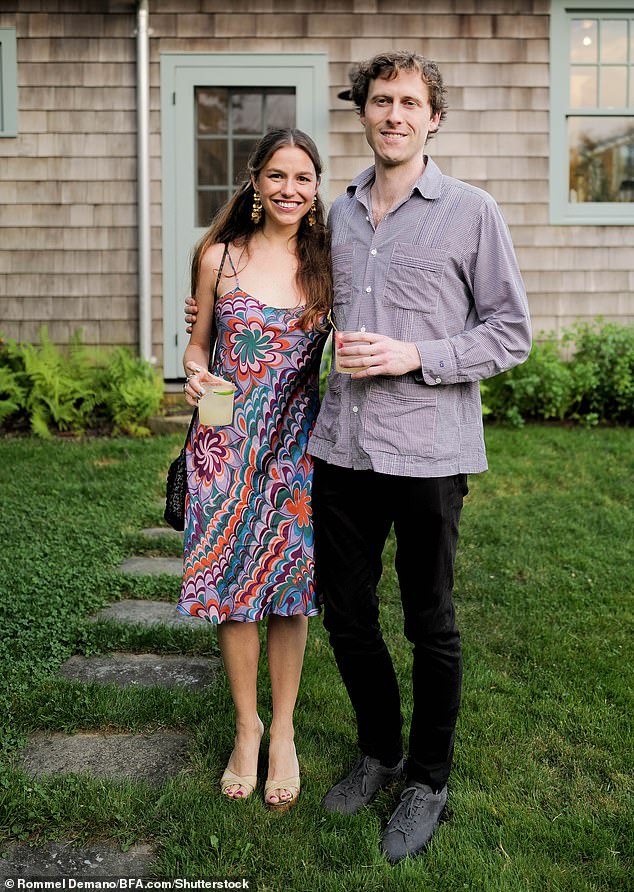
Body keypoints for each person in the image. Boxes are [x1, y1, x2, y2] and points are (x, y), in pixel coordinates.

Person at [186, 50, 531, 862]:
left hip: (429, 452)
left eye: (411, 102)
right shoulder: (333, 218)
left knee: (429, 621)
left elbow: (511, 331)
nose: (395, 115)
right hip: (339, 450)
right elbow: (262, 282)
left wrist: (416, 355)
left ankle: (429, 779)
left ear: (432, 118)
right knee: (346, 614)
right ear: (365, 112)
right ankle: (379, 752)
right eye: (381, 101)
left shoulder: (472, 212)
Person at [178, 128, 331, 812]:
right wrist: (192, 374)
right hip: (224, 444)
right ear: (255, 180)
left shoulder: (331, 262)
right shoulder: (218, 258)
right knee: (232, 584)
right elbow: (198, 346)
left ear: (317, 188)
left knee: (288, 588)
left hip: (296, 449)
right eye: (277, 176)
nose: (289, 190)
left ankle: (286, 731)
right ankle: (248, 728)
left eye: (302, 178)